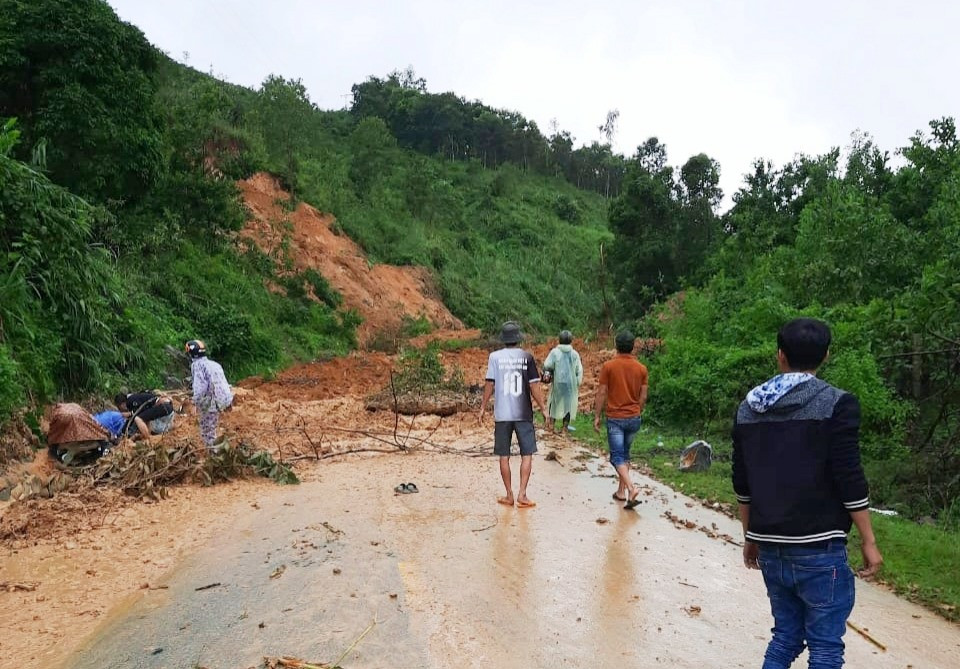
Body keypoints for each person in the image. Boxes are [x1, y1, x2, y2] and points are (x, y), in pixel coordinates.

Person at [733, 318, 883, 669]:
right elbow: (849, 478)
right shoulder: (837, 404)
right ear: (826, 355)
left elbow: (742, 482)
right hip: (820, 548)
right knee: (826, 648)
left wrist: (751, 536)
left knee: (785, 636)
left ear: (780, 356)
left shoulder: (749, 408)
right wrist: (868, 540)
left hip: (770, 545)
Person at [479, 321, 547, 508]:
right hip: (523, 413)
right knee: (527, 453)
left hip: (502, 414)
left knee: (504, 455)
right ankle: (522, 494)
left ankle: (509, 495)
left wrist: (483, 407)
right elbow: (534, 385)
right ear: (518, 338)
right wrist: (543, 407)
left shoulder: (494, 357)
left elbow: (489, 383)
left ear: (503, 339)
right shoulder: (527, 357)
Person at [594, 331, 648, 510]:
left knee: (617, 457)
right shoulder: (641, 368)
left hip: (616, 418)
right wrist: (636, 410)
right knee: (625, 454)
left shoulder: (609, 366)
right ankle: (620, 492)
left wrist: (596, 415)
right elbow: (643, 395)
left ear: (616, 345)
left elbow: (602, 392)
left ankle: (631, 489)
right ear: (633, 347)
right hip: (634, 418)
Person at [185, 339, 234, 451]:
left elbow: (200, 387)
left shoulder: (197, 365)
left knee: (207, 432)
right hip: (225, 398)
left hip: (212, 401)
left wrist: (195, 402)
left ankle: (215, 456)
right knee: (213, 427)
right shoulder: (214, 364)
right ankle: (219, 450)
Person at [543, 330, 583, 434]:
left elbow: (547, 365)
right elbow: (579, 370)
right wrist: (577, 383)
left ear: (559, 340)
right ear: (571, 340)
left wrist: (548, 374)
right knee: (568, 405)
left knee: (554, 402)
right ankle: (565, 428)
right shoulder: (574, 354)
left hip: (558, 383)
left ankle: (551, 424)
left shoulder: (555, 352)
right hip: (570, 384)